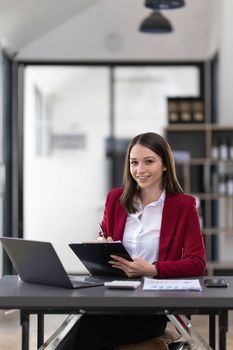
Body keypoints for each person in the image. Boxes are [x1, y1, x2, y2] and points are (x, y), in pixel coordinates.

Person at [59, 132, 206, 350]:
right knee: (83, 323)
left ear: (165, 164)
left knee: (85, 329)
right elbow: (105, 238)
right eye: (134, 162)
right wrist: (100, 246)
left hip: (153, 308)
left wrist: (151, 269)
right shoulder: (115, 200)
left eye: (149, 162)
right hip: (112, 299)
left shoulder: (184, 206)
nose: (140, 170)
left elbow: (197, 263)